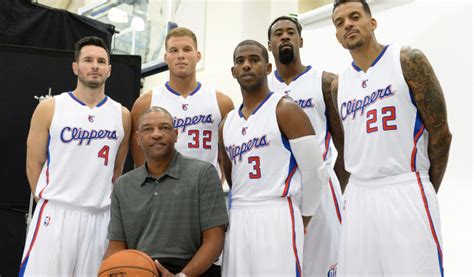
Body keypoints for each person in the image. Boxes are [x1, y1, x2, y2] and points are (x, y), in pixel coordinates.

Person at [331, 1, 452, 276]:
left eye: (354, 17)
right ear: (337, 36)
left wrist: (425, 186)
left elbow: (441, 133)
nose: (347, 24)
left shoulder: (407, 60)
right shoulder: (339, 85)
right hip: (359, 194)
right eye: (339, 23)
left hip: (405, 185)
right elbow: (348, 145)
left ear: (372, 23)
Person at [20, 36, 131, 276]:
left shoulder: (122, 115)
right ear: (75, 67)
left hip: (99, 217)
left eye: (101, 61)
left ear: (109, 70)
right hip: (57, 212)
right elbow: (33, 163)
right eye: (88, 60)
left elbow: (117, 169)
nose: (95, 66)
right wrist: (48, 203)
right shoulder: (50, 107)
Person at [219, 40, 326, 276]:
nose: (246, 66)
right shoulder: (227, 123)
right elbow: (231, 176)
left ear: (268, 68)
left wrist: (304, 216)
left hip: (276, 212)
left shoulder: (285, 109)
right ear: (233, 71)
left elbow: (315, 172)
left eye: (254, 60)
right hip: (239, 215)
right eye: (240, 61)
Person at [104, 106, 228, 277]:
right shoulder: (123, 185)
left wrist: (182, 276)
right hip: (139, 269)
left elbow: (214, 241)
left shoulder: (203, 173)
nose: (157, 134)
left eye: (164, 127)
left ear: (176, 135)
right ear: (138, 139)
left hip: (192, 271)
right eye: (148, 129)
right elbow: (116, 247)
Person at [267, 15, 347, 276]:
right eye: (279, 33)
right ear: (270, 44)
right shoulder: (262, 88)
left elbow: (344, 146)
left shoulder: (324, 82)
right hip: (279, 190)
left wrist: (329, 185)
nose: (285, 36)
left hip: (320, 185)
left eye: (291, 32)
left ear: (301, 40)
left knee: (326, 265)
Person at [131, 27, 234, 176]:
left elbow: (229, 156)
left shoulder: (221, 102)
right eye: (174, 50)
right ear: (166, 57)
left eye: (187, 49)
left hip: (206, 190)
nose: (180, 56)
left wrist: (217, 182)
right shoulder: (145, 103)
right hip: (163, 191)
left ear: (198, 56)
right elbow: (140, 163)